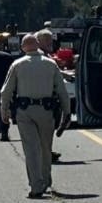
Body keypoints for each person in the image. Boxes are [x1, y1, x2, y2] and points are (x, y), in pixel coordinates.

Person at [0, 32, 70, 199]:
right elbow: (62, 91)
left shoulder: (17, 64)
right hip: (46, 111)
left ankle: (36, 186)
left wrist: (4, 110)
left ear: (23, 47)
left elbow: (6, 91)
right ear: (37, 46)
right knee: (46, 148)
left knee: (31, 149)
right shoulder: (51, 64)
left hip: (25, 111)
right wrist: (66, 113)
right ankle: (45, 180)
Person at [35, 28, 64, 162]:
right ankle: (45, 153)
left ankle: (46, 151)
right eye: (46, 40)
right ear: (39, 41)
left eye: (50, 39)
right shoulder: (41, 55)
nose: (50, 42)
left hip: (45, 97)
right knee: (47, 128)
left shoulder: (45, 54)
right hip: (46, 98)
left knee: (47, 128)